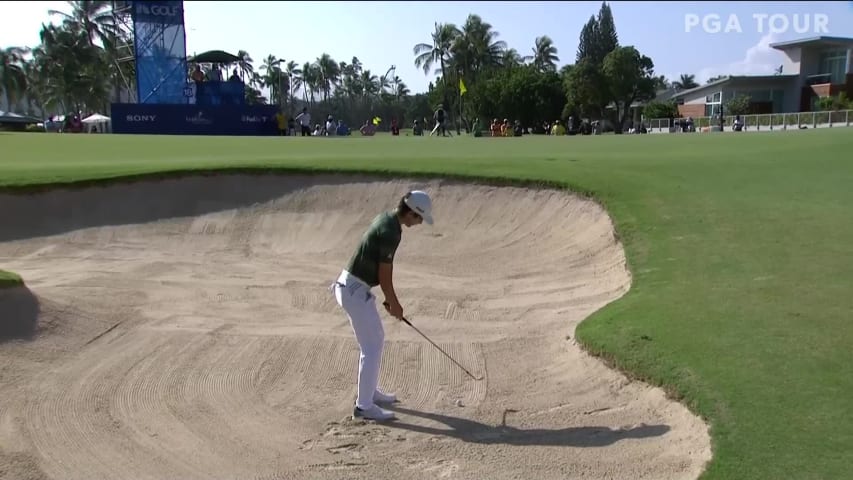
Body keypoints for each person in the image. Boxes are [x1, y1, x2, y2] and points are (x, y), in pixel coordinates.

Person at [331, 191, 434, 421]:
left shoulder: (387, 220)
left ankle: (369, 392)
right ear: (410, 212)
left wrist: (390, 301)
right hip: (354, 292)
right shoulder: (390, 232)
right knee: (372, 346)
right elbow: (384, 275)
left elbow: (380, 272)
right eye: (418, 218)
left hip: (353, 289)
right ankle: (364, 407)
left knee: (375, 338)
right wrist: (395, 304)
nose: (418, 224)